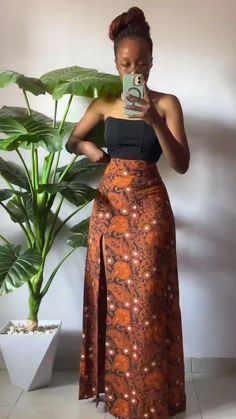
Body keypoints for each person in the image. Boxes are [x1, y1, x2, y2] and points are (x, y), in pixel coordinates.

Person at [66, 6, 190, 419]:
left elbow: (181, 163)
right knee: (114, 299)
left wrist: (154, 120)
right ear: (116, 64)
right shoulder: (102, 104)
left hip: (151, 206)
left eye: (140, 62)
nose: (134, 69)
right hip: (110, 209)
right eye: (125, 63)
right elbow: (72, 139)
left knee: (149, 299)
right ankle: (116, 395)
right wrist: (91, 149)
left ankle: (154, 397)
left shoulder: (168, 103)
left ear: (152, 62)